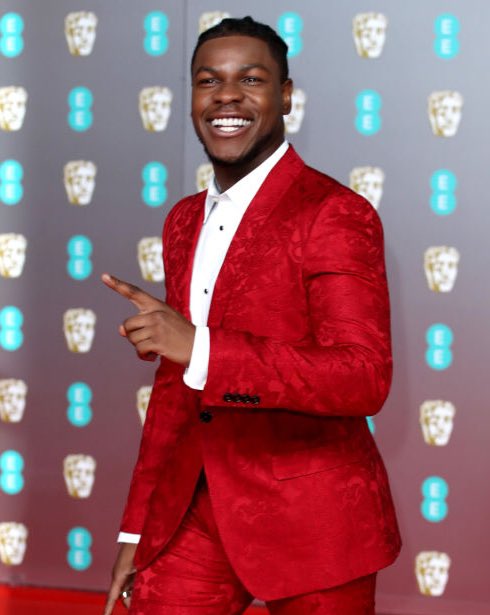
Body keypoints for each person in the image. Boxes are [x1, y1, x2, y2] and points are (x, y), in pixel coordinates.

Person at [102, 16, 401, 615]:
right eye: (209, 80)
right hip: (192, 507)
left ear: (285, 96)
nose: (227, 96)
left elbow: (363, 376)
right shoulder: (182, 220)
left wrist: (202, 348)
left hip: (315, 516)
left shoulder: (334, 212)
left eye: (251, 79)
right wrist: (136, 530)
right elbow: (175, 387)